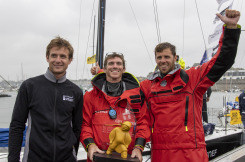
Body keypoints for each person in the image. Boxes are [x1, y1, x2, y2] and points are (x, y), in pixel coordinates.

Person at [140, 9, 241, 162]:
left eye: (167, 56)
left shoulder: (192, 78)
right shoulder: (147, 86)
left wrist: (231, 30)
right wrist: (102, 73)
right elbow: (122, 98)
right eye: (159, 57)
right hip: (160, 153)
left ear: (175, 57)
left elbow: (222, 61)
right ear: (155, 59)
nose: (163, 60)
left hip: (191, 153)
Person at [8, 36, 83, 162]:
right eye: (54, 55)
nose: (58, 60)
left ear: (70, 60)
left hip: (67, 158)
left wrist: (72, 154)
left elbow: (77, 128)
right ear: (47, 57)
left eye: (63, 56)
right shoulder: (29, 86)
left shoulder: (76, 91)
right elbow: (17, 125)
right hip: (34, 158)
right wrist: (13, 159)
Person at [80, 52, 150, 162]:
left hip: (128, 157)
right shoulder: (90, 96)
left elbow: (143, 123)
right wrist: (90, 145)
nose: (115, 66)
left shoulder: (136, 96)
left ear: (124, 68)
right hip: (99, 156)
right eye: (111, 63)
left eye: (118, 63)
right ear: (105, 68)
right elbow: (84, 124)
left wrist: (138, 148)